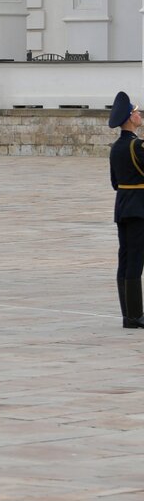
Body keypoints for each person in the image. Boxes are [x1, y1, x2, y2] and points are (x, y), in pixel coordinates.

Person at [108, 91, 144, 328]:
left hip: (123, 206)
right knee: (135, 261)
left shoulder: (116, 147)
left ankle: (128, 314)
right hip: (139, 208)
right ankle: (135, 315)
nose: (140, 114)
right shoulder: (136, 146)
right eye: (136, 111)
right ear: (130, 118)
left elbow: (114, 183)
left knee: (126, 259)